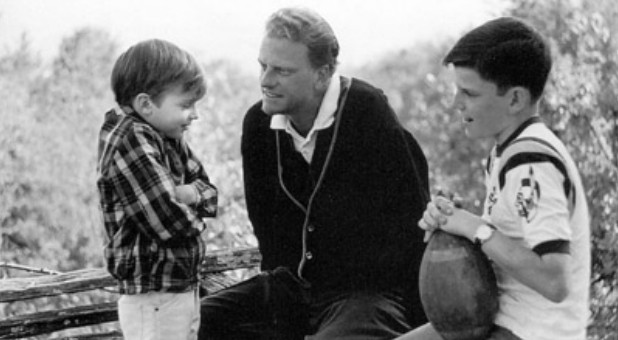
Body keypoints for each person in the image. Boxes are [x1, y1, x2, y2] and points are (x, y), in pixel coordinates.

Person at [198, 7, 429, 340]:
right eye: (263, 66)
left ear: (322, 75)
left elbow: (413, 225)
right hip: (294, 288)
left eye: (282, 71)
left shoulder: (367, 112)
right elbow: (267, 230)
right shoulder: (259, 125)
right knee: (193, 323)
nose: (265, 80)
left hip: (367, 295)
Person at [396, 17, 591, 340]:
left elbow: (555, 281)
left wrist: (474, 228)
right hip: (501, 321)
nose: (456, 103)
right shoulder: (507, 152)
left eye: (469, 93)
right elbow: (514, 239)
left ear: (515, 99)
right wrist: (452, 221)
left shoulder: (531, 161)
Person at [96, 39, 218, 340]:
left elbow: (209, 192)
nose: (195, 115)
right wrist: (193, 212)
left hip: (177, 289)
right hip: (153, 296)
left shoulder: (165, 134)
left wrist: (189, 194)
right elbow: (168, 221)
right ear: (146, 104)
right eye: (186, 105)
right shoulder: (130, 139)